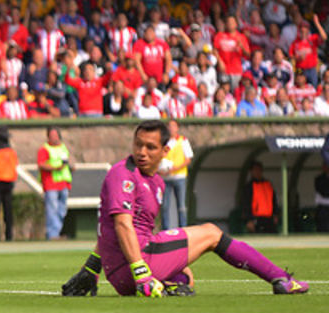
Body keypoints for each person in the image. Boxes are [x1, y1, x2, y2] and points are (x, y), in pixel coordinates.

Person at [61, 120, 308, 297]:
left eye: (150, 147)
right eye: (138, 145)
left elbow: (109, 232)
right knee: (212, 233)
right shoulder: (124, 174)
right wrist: (141, 274)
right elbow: (121, 225)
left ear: (165, 151)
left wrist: (92, 269)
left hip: (129, 267)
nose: (142, 152)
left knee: (185, 276)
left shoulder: (156, 181)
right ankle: (281, 280)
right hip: (134, 266)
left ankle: (167, 285)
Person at [37, 127, 73, 240]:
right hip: (51, 183)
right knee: (52, 209)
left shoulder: (63, 148)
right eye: (52, 136)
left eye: (56, 135)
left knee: (62, 210)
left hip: (63, 183)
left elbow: (66, 162)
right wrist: (55, 168)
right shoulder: (44, 149)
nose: (54, 138)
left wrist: (71, 167)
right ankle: (53, 234)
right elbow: (41, 164)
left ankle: (56, 231)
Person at [158, 119, 192, 230]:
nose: (171, 129)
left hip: (179, 177)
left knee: (181, 206)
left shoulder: (183, 140)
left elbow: (188, 159)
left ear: (177, 128)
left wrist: (174, 169)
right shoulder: (163, 141)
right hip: (165, 177)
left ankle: (183, 229)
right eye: (169, 126)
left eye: (173, 126)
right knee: (165, 206)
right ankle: (165, 230)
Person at [243, 161, 278, 234]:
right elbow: (246, 204)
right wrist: (248, 220)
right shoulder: (249, 186)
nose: (257, 172)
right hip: (257, 219)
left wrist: (275, 214)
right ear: (251, 172)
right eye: (255, 170)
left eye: (259, 170)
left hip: (269, 219)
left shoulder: (268, 184)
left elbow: (274, 201)